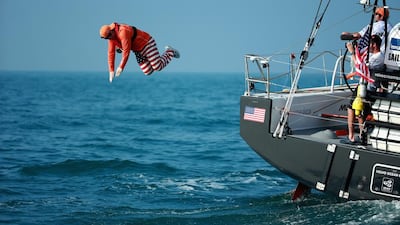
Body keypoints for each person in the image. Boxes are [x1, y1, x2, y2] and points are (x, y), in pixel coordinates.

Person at [99, 22, 180, 83]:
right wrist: (111, 71)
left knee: (157, 67)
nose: (109, 38)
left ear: (111, 30)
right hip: (138, 51)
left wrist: (121, 67)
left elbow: (126, 53)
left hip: (147, 44)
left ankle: (170, 52)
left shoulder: (123, 32)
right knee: (147, 72)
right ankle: (152, 60)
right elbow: (110, 53)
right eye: (106, 38)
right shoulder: (111, 38)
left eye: (109, 36)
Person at [342, 35, 385, 145]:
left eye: (369, 44)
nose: (367, 46)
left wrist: (352, 52)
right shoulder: (377, 56)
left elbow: (361, 67)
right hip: (366, 85)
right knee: (360, 111)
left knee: (353, 108)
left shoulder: (377, 57)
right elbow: (364, 68)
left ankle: (352, 136)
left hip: (368, 87)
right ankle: (361, 135)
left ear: (374, 45)